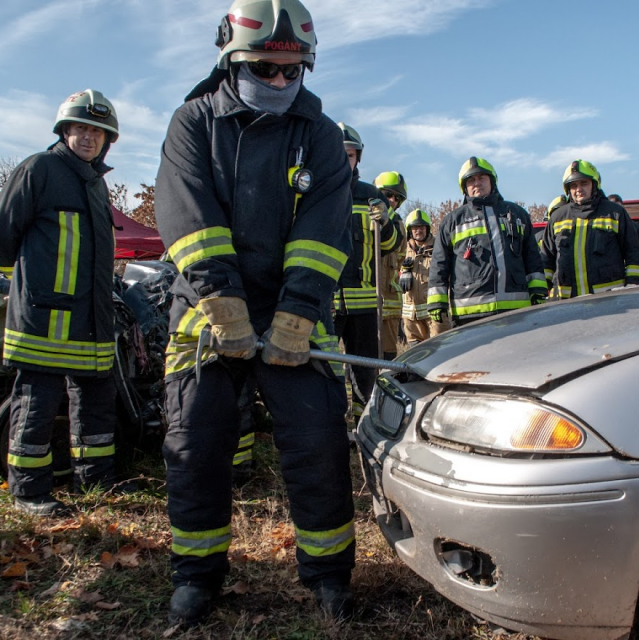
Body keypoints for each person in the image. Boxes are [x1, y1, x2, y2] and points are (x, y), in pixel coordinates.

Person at [153, 0, 356, 625]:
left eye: (291, 71)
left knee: (318, 441)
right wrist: (224, 306)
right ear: (231, 60)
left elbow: (324, 230)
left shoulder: (319, 135)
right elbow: (188, 216)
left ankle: (328, 577)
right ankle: (198, 576)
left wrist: (297, 313)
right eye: (264, 68)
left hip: (293, 313)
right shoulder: (193, 123)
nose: (278, 82)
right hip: (207, 312)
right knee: (196, 443)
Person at [0, 89, 123, 518]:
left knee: (96, 398)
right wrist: (33, 287)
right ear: (65, 131)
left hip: (91, 319)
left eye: (97, 132)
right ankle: (29, 492)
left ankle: (96, 483)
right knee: (38, 401)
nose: (88, 137)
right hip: (46, 317)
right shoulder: (40, 169)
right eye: (81, 128)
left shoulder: (96, 184)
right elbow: (0, 236)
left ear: (107, 140)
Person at [334, 125, 404, 418]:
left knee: (365, 369)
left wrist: (385, 222)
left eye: (349, 155)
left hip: (364, 302)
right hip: (326, 300)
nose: (343, 160)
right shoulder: (315, 192)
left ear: (357, 158)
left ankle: (364, 422)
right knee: (325, 367)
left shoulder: (370, 196)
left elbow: (389, 245)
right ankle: (333, 420)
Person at [428, 157, 547, 326]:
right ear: (464, 188)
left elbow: (532, 256)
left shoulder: (517, 214)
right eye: (471, 180)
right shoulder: (452, 221)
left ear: (492, 181)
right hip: (469, 314)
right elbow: (439, 263)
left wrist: (538, 289)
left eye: (482, 178)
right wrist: (437, 301)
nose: (477, 183)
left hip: (516, 310)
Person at [540, 160, 639, 298]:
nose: (578, 189)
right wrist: (543, 289)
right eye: (574, 185)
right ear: (568, 190)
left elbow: (633, 252)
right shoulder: (557, 218)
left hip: (609, 299)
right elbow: (546, 259)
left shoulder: (615, 213)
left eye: (584, 183)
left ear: (594, 185)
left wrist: (633, 286)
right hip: (567, 302)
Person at [372, 171, 409, 359]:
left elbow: (401, 258)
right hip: (367, 298)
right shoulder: (365, 219)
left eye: (397, 197)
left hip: (391, 299)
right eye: (388, 195)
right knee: (364, 350)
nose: (393, 200)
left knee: (388, 352)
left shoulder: (400, 225)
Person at [400, 208, 450, 344]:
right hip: (411, 316)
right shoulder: (402, 250)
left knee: (439, 348)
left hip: (434, 314)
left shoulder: (438, 248)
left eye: (421, 227)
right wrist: (402, 272)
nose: (418, 231)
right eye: (415, 228)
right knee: (416, 354)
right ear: (409, 230)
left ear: (427, 229)